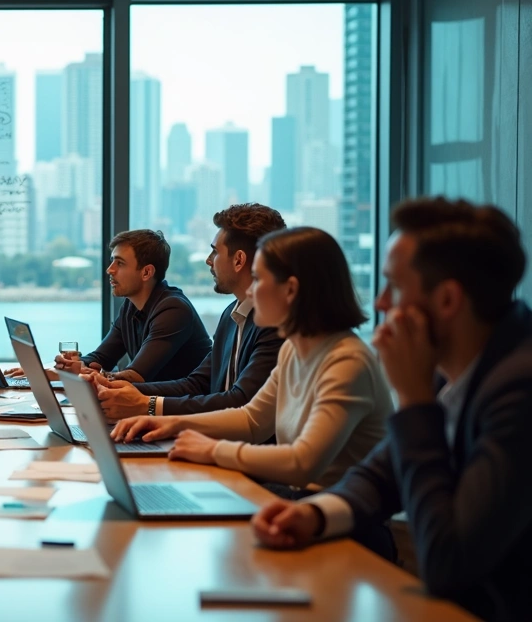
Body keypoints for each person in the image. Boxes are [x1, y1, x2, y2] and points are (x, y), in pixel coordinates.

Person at [251, 198, 532, 621]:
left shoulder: (519, 389)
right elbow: (381, 475)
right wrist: (311, 514)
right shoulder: (458, 365)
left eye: (394, 286)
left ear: (448, 300)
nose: (381, 303)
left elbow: (446, 562)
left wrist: (415, 400)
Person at [111, 227, 392, 493]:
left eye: (257, 279)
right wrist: (170, 423)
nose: (250, 291)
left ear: (290, 290)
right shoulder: (294, 351)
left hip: (331, 514)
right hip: (296, 502)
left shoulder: (346, 361)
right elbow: (251, 420)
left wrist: (211, 450)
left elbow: (302, 463)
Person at [93, 204, 286, 419]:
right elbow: (198, 384)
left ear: (238, 260)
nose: (208, 260)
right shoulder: (231, 315)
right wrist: (123, 391)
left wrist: (147, 405)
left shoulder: (274, 324)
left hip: (251, 449)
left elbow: (240, 401)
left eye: (215, 251)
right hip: (215, 438)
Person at [9, 229, 211, 383]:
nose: (109, 270)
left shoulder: (174, 310)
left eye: (120, 263)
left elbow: (135, 376)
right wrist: (52, 372)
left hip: (181, 414)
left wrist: (91, 373)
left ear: (147, 272)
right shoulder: (131, 307)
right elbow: (100, 357)